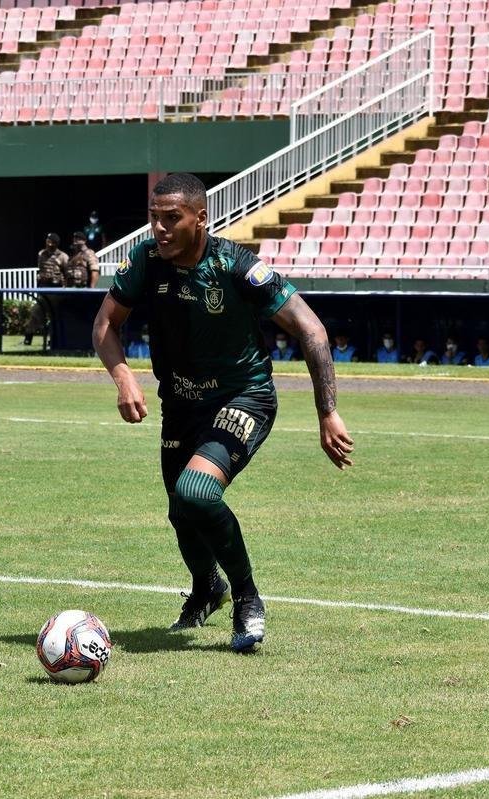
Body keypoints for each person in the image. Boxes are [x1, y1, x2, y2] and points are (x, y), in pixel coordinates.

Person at [92, 173, 353, 654]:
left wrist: (327, 412)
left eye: (172, 219)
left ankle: (247, 598)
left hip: (244, 397)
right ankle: (207, 588)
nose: (161, 229)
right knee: (181, 511)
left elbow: (311, 329)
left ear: (200, 218)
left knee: (196, 491)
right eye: (154, 219)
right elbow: (106, 323)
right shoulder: (145, 262)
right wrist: (124, 377)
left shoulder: (237, 266)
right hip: (181, 406)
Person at [24, 232, 68, 346]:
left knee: (54, 317)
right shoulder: (41, 254)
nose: (48, 244)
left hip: (56, 291)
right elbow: (41, 269)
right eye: (47, 241)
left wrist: (64, 287)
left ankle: (52, 340)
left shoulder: (62, 256)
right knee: (36, 312)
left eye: (51, 242)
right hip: (44, 290)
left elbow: (66, 274)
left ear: (56, 243)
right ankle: (28, 339)